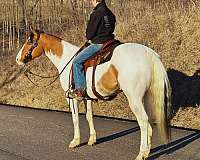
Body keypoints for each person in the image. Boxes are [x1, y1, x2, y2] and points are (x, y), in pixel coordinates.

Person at [71, 0, 116, 99]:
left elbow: (89, 34)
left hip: (99, 44)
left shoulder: (96, 14)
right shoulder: (110, 13)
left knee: (76, 62)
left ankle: (80, 90)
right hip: (111, 42)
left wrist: (90, 37)